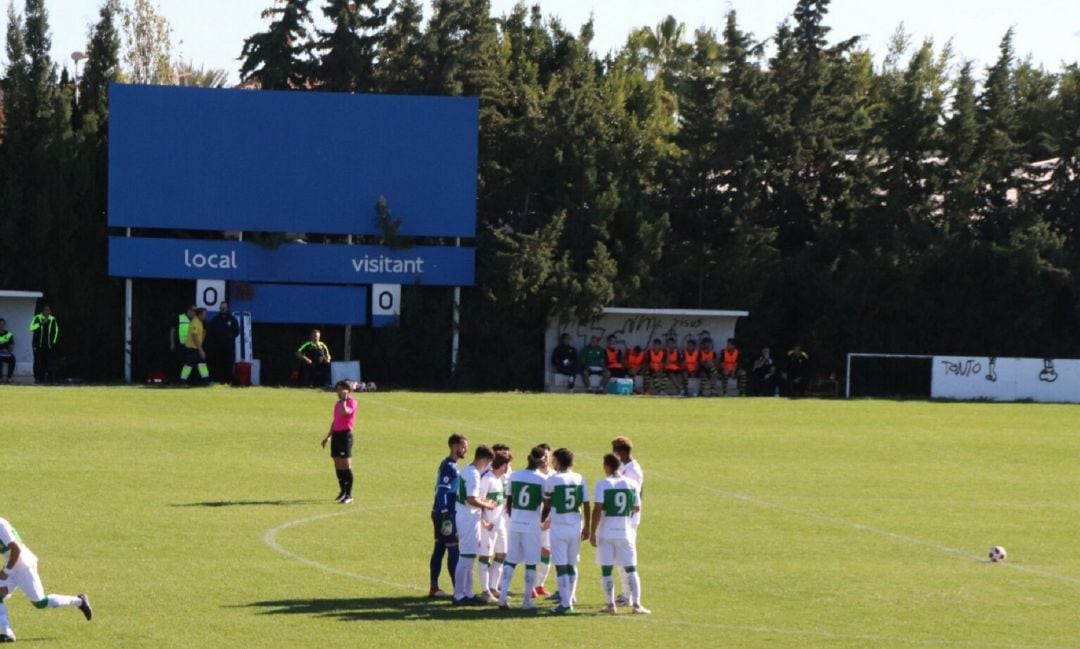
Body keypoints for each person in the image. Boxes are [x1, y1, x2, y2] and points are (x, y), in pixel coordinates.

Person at [0, 517, 92, 643]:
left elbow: (16, 550)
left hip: (24, 566)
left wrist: (6, 571)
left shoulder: (1, 525)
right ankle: (7, 633)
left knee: (40, 602)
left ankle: (79, 601)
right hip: (10, 564)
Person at [589, 454, 649, 615]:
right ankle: (636, 604)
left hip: (606, 532)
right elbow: (636, 508)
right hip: (625, 531)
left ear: (607, 466)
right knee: (631, 568)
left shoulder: (602, 484)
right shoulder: (631, 484)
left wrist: (592, 532)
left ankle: (610, 605)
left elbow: (598, 509)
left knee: (607, 569)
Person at [497, 446, 548, 611]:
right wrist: (540, 520)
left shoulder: (515, 475)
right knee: (531, 563)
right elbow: (546, 503)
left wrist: (514, 517)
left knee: (510, 560)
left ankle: (502, 598)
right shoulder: (542, 480)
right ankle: (526, 600)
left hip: (516, 523)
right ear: (541, 461)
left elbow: (509, 500)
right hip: (532, 525)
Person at [543, 448, 589, 615]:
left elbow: (547, 503)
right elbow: (585, 503)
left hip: (559, 526)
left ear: (559, 462)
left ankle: (565, 603)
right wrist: (588, 526)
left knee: (561, 566)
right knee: (572, 564)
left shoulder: (553, 479)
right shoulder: (579, 478)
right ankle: (571, 597)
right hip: (576, 525)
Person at [452, 445, 498, 606]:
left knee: (469, 557)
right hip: (468, 518)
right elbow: (471, 499)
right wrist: (488, 505)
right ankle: (459, 595)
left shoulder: (466, 469)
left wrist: (483, 502)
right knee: (465, 557)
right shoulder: (473, 475)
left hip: (467, 516)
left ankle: (468, 594)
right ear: (485, 460)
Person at [429, 434, 468, 598]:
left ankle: (434, 587)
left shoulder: (449, 465)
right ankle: (458, 590)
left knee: (439, 548)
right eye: (463, 446)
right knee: (453, 549)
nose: (466, 449)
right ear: (454, 447)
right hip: (446, 514)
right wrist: (445, 515)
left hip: (439, 512)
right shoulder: (450, 467)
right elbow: (443, 492)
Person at [611, 436, 644, 606]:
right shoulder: (625, 467)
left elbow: (634, 499)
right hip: (623, 520)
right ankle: (625, 593)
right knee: (619, 558)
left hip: (628, 521)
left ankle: (628, 595)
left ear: (620, 451)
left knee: (626, 558)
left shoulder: (633, 471)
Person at [478, 451, 511, 601]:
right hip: (488, 525)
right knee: (485, 557)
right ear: (503, 465)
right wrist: (483, 522)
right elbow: (478, 501)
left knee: (502, 554)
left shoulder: (499, 479)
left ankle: (493, 587)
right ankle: (485, 591)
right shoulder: (487, 480)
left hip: (500, 524)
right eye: (507, 465)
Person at [320, 380, 357, 504]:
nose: (337, 391)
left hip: (345, 436)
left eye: (340, 389)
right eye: (337, 389)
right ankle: (342, 491)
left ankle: (349, 495)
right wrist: (328, 437)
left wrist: (345, 400)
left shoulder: (352, 402)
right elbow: (335, 421)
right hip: (336, 435)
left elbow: (345, 412)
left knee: (346, 466)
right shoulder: (337, 403)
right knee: (337, 465)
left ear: (347, 390)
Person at [206, 301, 241, 384]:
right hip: (217, 348)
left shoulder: (232, 319)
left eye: (224, 308)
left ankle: (228, 381)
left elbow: (237, 331)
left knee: (228, 364)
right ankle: (217, 381)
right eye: (221, 308)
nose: (222, 310)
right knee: (218, 364)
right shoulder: (215, 319)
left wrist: (230, 337)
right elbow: (210, 332)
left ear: (227, 308)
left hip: (229, 347)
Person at [179, 307, 211, 385]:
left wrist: (200, 347)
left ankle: (206, 381)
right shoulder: (195, 322)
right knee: (188, 365)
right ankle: (183, 381)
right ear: (199, 314)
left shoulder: (200, 321)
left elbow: (201, 335)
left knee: (202, 364)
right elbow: (194, 336)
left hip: (196, 347)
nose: (205, 316)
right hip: (192, 348)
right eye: (204, 314)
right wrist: (200, 349)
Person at [28, 304, 59, 384]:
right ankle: (37, 378)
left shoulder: (52, 319)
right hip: (38, 345)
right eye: (45, 310)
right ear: (42, 311)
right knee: (38, 362)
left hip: (48, 345)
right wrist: (40, 323)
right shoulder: (37, 318)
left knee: (48, 362)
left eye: (48, 310)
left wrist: (53, 342)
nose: (47, 311)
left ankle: (50, 379)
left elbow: (56, 331)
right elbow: (31, 328)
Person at [169, 305, 195, 380]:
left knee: (188, 364)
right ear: (189, 311)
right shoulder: (179, 318)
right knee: (178, 363)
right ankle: (175, 380)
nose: (194, 313)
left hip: (190, 346)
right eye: (193, 311)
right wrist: (172, 343)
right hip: (180, 345)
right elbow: (172, 331)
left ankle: (184, 380)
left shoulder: (195, 320)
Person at [0, 319, 14, 383]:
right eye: (0, 324)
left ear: (4, 325)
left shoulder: (9, 334)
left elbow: (11, 345)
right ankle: (0, 378)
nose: (1, 326)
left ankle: (9, 378)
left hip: (6, 353)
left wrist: (9, 351)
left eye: (3, 324)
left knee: (13, 358)